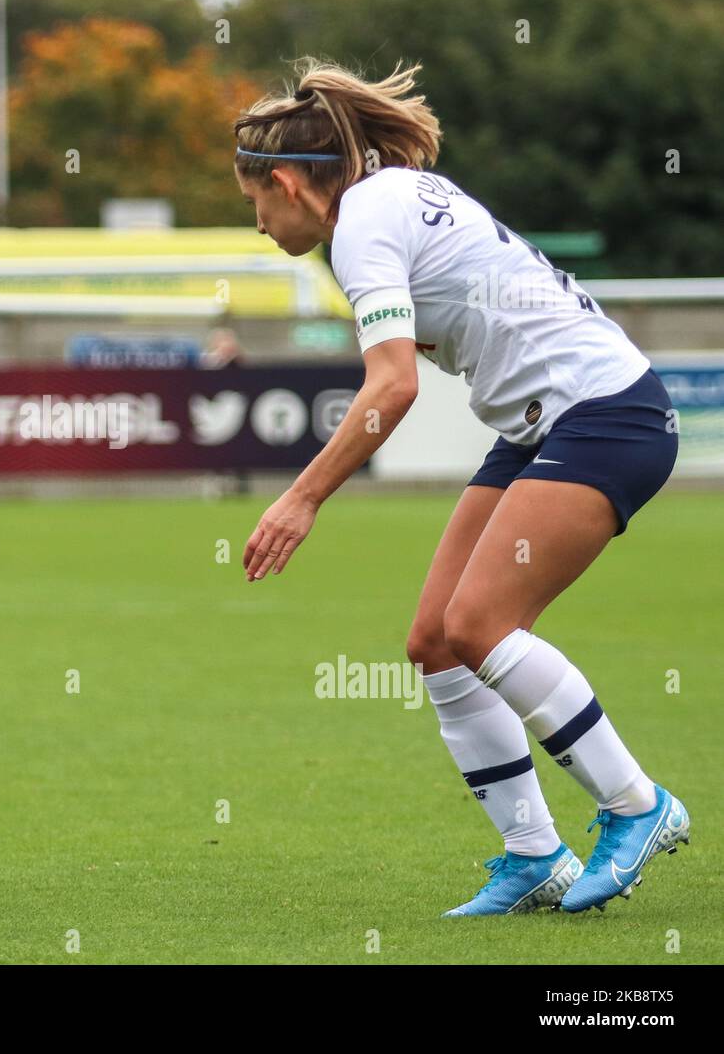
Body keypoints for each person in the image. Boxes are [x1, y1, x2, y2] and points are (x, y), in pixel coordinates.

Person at [233, 57, 688, 916]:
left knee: (479, 624)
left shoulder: (362, 225)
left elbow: (392, 385)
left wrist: (301, 497)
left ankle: (636, 804)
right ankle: (532, 855)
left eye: (253, 201)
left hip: (606, 415)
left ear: (289, 182)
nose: (256, 223)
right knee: (438, 642)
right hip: (543, 424)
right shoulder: (391, 193)